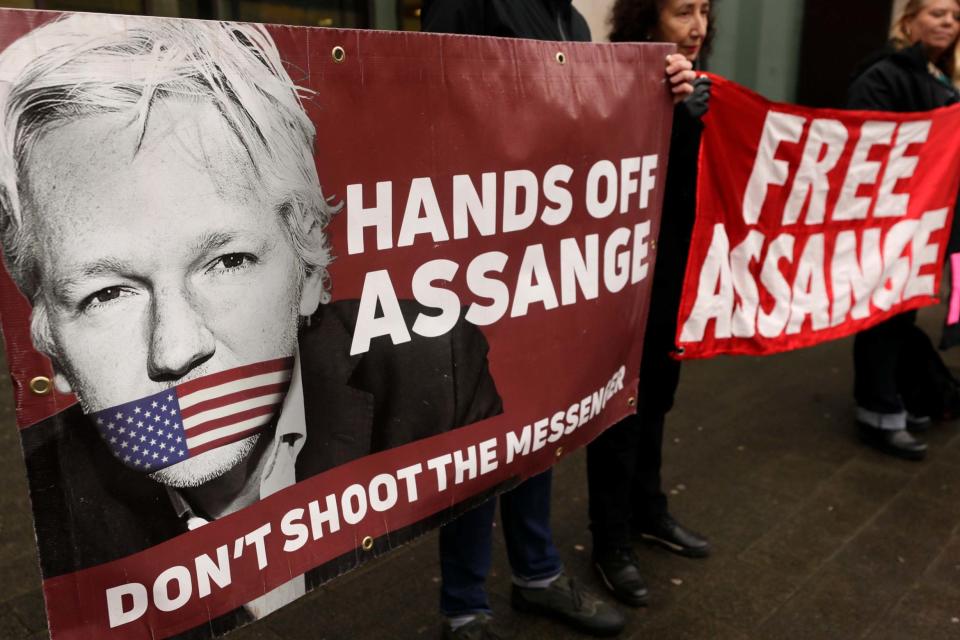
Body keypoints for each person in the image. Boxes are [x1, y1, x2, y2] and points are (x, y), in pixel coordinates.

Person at [0, 14, 502, 632]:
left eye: (227, 261)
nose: (175, 348)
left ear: (309, 269)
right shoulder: (55, 508)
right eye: (107, 294)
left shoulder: (432, 365)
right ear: (47, 336)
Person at [422, 1, 697, 637]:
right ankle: (464, 608)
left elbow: (585, 127)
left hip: (544, 252)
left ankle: (536, 573)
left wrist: (661, 98)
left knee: (538, 417)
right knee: (480, 429)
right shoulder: (468, 4)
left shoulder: (569, 20)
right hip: (479, 251)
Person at [585, 0, 714, 609]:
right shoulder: (617, 79)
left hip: (674, 270)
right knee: (622, 404)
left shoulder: (700, 89)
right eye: (682, 11)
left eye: (706, 11)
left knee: (658, 390)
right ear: (645, 21)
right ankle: (610, 541)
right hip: (624, 269)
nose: (697, 27)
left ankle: (647, 510)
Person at [847, 0, 960, 461]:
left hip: (925, 220)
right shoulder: (882, 77)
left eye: (954, 17)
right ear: (908, 21)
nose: (948, 24)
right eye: (937, 14)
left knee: (905, 312)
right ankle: (877, 410)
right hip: (891, 221)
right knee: (884, 315)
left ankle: (899, 394)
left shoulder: (936, 77)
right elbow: (867, 145)